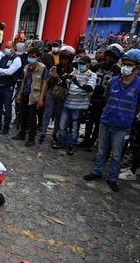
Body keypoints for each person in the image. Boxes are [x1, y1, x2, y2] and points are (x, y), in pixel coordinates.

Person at [83, 50, 140, 192]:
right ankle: (97, 171)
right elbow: (107, 98)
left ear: (136, 67)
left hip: (123, 125)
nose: (125, 67)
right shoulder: (113, 81)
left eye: (129, 65)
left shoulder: (138, 85)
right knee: (101, 150)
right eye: (124, 64)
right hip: (107, 120)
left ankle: (113, 178)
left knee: (116, 154)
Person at [52, 55, 96, 155]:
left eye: (83, 64)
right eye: (79, 63)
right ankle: (62, 141)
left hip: (79, 105)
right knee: (62, 125)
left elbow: (89, 88)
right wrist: (65, 78)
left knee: (75, 127)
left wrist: (77, 82)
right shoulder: (75, 72)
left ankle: (72, 145)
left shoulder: (91, 75)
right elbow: (66, 82)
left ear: (88, 65)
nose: (81, 66)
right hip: (68, 102)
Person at [81, 44, 122, 148]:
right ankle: (86, 140)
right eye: (107, 55)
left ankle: (92, 141)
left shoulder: (118, 71)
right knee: (89, 121)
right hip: (94, 98)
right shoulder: (97, 67)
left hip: (105, 101)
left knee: (99, 123)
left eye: (112, 56)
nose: (108, 58)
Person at [12, 47, 48, 146]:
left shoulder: (42, 68)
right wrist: (19, 93)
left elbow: (44, 83)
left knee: (32, 118)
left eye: (33, 57)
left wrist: (41, 98)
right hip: (25, 94)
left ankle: (31, 138)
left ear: (38, 57)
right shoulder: (27, 67)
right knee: (23, 115)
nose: (31, 58)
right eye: (30, 56)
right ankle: (22, 133)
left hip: (35, 96)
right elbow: (23, 81)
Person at [40, 46, 75, 144]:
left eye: (65, 59)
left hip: (63, 96)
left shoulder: (72, 70)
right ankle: (43, 133)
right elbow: (48, 80)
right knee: (47, 114)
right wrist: (51, 77)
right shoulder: (55, 67)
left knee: (58, 116)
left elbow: (68, 83)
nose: (63, 60)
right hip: (52, 93)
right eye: (62, 58)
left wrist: (58, 77)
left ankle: (55, 134)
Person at [0, 40, 22, 134]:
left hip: (8, 88)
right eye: (6, 47)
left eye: (9, 47)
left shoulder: (17, 59)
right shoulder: (3, 58)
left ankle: (6, 127)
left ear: (13, 48)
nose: (6, 49)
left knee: (7, 108)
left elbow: (10, 72)